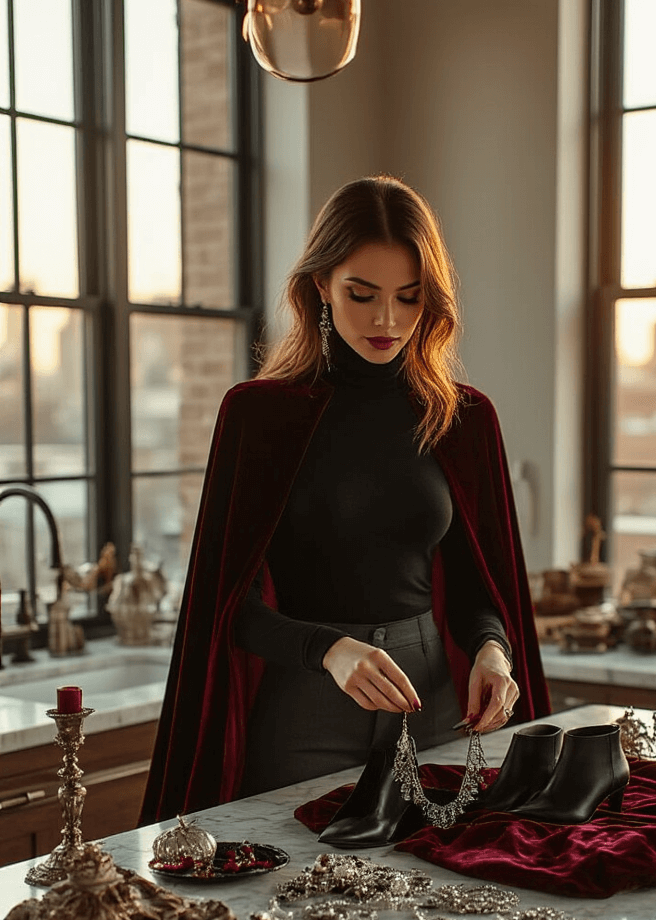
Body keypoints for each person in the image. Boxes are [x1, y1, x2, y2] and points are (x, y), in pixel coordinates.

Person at [140, 176, 549, 825]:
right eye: (363, 294)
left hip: (436, 708)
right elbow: (227, 609)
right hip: (306, 710)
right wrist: (330, 649)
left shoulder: (465, 419)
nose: (386, 320)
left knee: (443, 909)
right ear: (320, 285)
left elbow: (478, 592)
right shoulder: (259, 417)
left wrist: (495, 652)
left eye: (408, 298)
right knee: (297, 907)